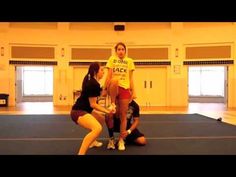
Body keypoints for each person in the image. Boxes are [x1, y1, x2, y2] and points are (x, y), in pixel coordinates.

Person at [70, 62, 115, 155]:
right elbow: (93, 105)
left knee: (101, 119)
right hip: (78, 111)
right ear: (96, 71)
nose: (103, 72)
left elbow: (99, 96)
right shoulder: (93, 83)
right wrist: (107, 110)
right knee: (97, 128)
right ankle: (81, 153)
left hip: (85, 110)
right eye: (101, 70)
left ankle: (93, 141)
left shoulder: (90, 80)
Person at [103, 42, 136, 151]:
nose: (121, 51)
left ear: (125, 51)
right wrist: (104, 89)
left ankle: (121, 140)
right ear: (116, 51)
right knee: (110, 115)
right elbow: (108, 75)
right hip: (113, 87)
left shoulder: (129, 61)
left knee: (123, 115)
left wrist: (133, 91)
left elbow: (131, 78)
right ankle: (111, 139)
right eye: (119, 49)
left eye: (122, 49)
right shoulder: (112, 59)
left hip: (125, 89)